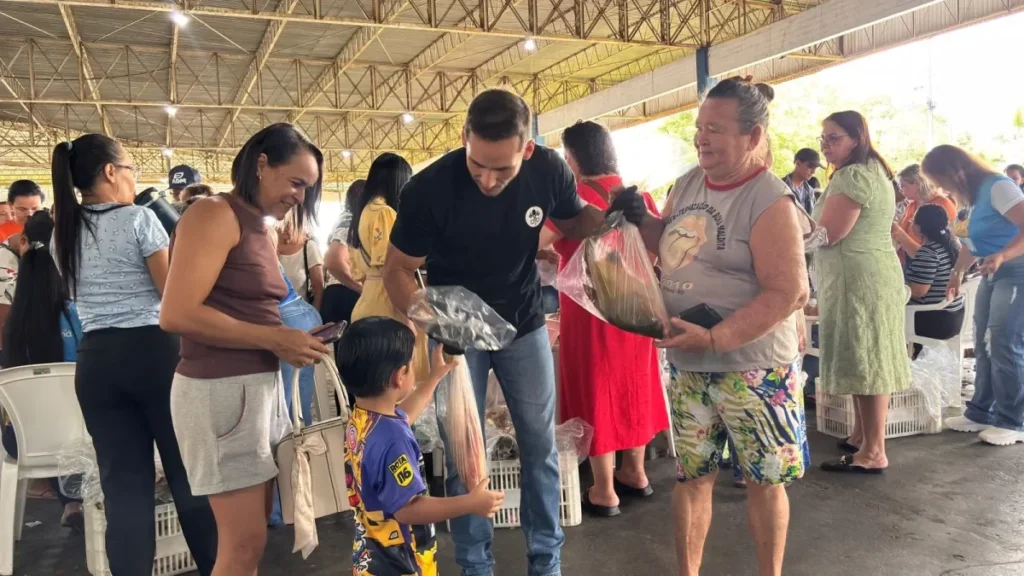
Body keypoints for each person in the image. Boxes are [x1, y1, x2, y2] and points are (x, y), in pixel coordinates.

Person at [383, 88, 639, 576]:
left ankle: (546, 562)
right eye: (478, 164)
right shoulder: (429, 189)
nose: (488, 178)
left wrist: (611, 214)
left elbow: (573, 220)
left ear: (527, 149)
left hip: (523, 327)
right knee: (464, 456)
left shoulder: (548, 170)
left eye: (503, 168)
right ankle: (475, 566)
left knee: (540, 447)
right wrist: (431, 317)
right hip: (457, 336)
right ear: (464, 139)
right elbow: (398, 270)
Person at [621, 78, 808, 576]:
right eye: (700, 128)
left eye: (716, 130)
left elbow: (788, 291)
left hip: (754, 367)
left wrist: (717, 338)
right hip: (688, 361)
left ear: (752, 137)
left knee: (766, 479)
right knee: (692, 476)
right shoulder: (687, 184)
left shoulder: (770, 199)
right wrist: (643, 221)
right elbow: (676, 245)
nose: (702, 137)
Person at [161, 123, 331, 575]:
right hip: (221, 393)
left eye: (308, 188)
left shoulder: (259, 225)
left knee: (249, 544)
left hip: (253, 391)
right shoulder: (214, 214)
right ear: (261, 164)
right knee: (242, 546)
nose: (300, 195)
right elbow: (176, 313)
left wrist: (286, 340)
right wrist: (274, 338)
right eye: (295, 182)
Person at [50, 134, 217, 574]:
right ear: (110, 171)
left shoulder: (62, 233)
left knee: (124, 491)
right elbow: (172, 294)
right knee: (188, 476)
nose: (132, 178)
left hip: (96, 362)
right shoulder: (138, 219)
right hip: (154, 353)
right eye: (129, 169)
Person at [538, 120, 667, 518]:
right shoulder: (637, 197)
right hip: (634, 311)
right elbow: (658, 250)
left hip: (589, 312)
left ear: (572, 158)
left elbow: (536, 244)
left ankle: (605, 490)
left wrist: (554, 253)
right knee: (634, 384)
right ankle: (636, 472)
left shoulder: (572, 197)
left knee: (596, 390)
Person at [338, 317, 503, 575]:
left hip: (371, 557)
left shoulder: (362, 420)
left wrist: (434, 379)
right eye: (412, 365)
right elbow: (408, 508)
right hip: (400, 564)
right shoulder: (393, 440)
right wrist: (470, 503)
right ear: (400, 376)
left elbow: (403, 415)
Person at [812, 111, 910, 472]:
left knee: (869, 360)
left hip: (861, 278)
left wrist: (789, 231)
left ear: (856, 138)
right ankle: (860, 436)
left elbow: (829, 233)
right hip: (865, 275)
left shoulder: (854, 175)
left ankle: (873, 451)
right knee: (861, 355)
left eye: (834, 137)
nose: (826, 144)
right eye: (823, 138)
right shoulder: (869, 171)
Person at [923, 145, 1024, 446]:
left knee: (1004, 340)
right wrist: (956, 272)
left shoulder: (999, 187)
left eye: (940, 178)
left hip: (1016, 269)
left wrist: (1004, 255)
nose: (940, 187)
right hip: (992, 270)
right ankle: (981, 411)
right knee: (983, 340)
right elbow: (968, 240)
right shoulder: (970, 198)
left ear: (956, 170)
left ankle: (1013, 420)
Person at [0, 210, 85, 532]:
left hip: (21, 441)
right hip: (77, 438)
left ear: (24, 243)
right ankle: (83, 500)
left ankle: (71, 503)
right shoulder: (76, 313)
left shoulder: (12, 321)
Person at [350, 153, 429, 381]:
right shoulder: (384, 213)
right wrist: (408, 317)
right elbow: (391, 268)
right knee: (399, 385)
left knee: (377, 386)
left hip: (370, 300)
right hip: (389, 305)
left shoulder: (364, 212)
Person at [904, 204, 965, 357]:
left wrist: (897, 286)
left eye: (913, 221)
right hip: (955, 316)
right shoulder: (954, 244)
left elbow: (918, 291)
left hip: (933, 320)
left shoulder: (929, 252)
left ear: (919, 227)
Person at [321, 180, 365, 331]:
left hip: (339, 292)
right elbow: (333, 260)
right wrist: (362, 290)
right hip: (346, 293)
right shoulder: (350, 220)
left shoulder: (344, 219)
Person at [891, 164, 958, 263]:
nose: (901, 190)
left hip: (931, 263)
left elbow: (949, 240)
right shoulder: (911, 206)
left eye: (904, 186)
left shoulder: (942, 204)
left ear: (917, 184)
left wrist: (899, 233)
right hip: (908, 260)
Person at [276, 213, 325, 310]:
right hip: (268, 315)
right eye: (283, 223)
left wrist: (315, 317)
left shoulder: (308, 247)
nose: (285, 228)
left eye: (290, 223)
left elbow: (318, 290)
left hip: (298, 314)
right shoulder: (267, 245)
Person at [783, 148, 822, 215]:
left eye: (816, 168)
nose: (813, 172)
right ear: (798, 164)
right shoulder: (781, 187)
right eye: (811, 166)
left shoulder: (810, 191)